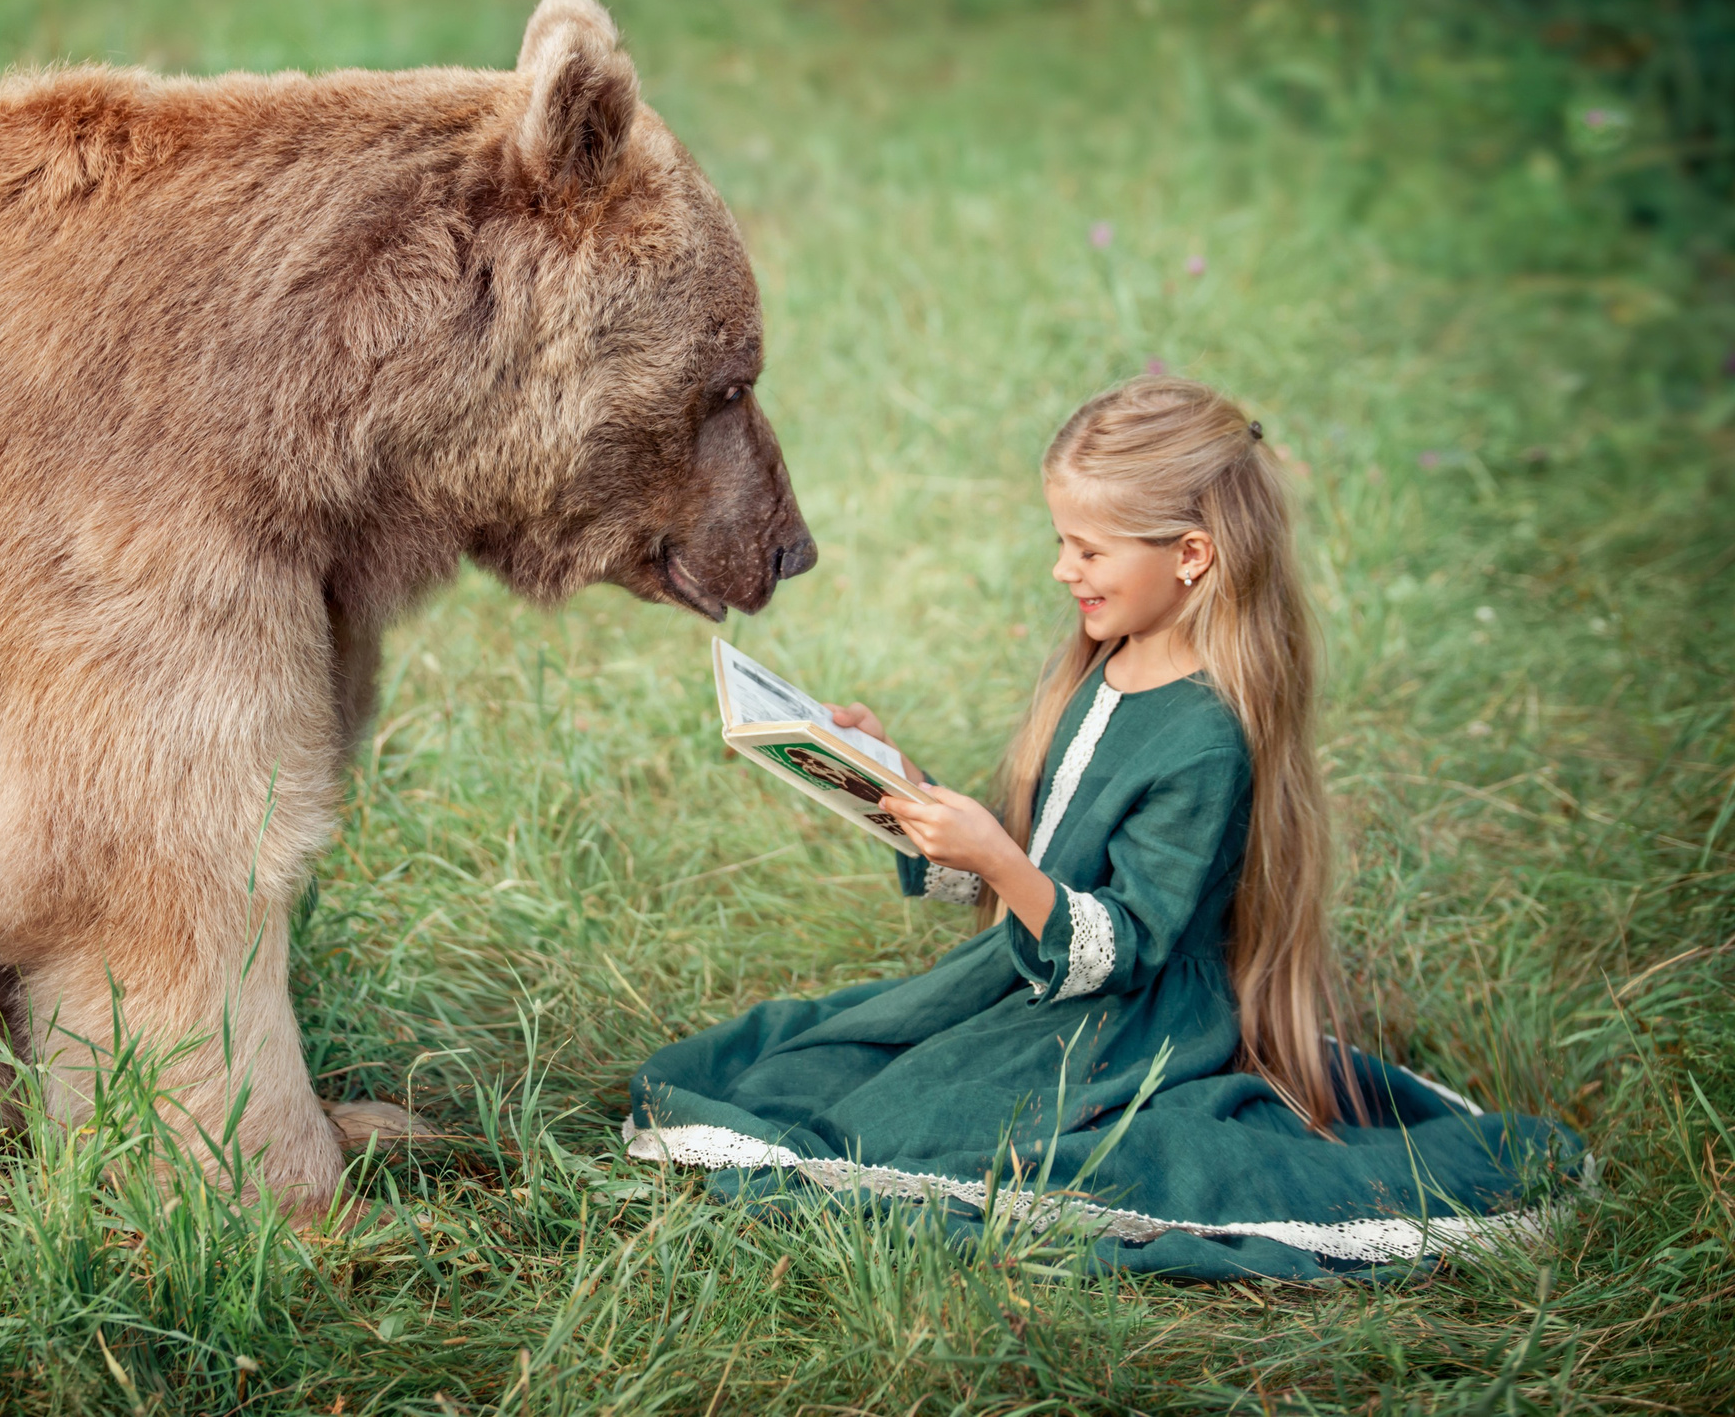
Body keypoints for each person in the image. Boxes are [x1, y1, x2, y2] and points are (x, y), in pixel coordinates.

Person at [624, 377, 1575, 1280]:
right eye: (1061, 540)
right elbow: (1044, 866)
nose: (1061, 568)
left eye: (1087, 548)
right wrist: (895, 780)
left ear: (1191, 555)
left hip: (1126, 1019)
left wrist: (995, 856)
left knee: (904, 1129)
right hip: (1032, 982)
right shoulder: (1108, 662)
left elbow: (1122, 941)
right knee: (811, 1064)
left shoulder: (1204, 734)